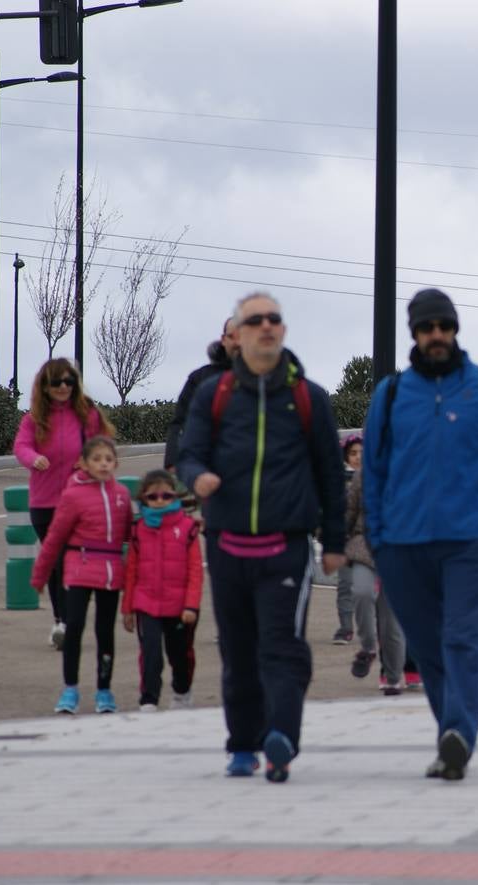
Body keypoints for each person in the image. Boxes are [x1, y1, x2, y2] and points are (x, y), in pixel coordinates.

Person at [178, 292, 347, 784]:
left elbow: (330, 475)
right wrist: (198, 476)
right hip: (227, 546)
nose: (267, 326)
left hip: (286, 548)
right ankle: (241, 744)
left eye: (275, 318)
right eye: (256, 320)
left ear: (283, 330)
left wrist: (334, 541)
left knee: (282, 648)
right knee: (237, 650)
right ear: (237, 334)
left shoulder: (307, 397)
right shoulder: (216, 394)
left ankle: (282, 738)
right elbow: (189, 453)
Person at [363, 288, 478, 782]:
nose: (437, 335)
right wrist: (379, 539)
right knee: (429, 649)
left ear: (455, 330)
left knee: (464, 639)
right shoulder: (390, 395)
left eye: (444, 327)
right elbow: (373, 471)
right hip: (403, 546)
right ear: (414, 332)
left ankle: (458, 734)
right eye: (427, 327)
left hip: (473, 542)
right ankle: (450, 735)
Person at [13, 358, 111, 650]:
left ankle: (69, 621)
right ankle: (62, 621)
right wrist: (34, 458)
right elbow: (21, 446)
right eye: (57, 382)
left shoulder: (86, 414)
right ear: (46, 385)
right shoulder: (34, 419)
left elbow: (102, 443)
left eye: (69, 381)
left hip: (79, 500)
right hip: (43, 503)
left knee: (69, 559)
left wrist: (90, 461)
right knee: (57, 562)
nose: (63, 387)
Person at [31, 436, 132, 715]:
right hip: (78, 569)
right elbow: (54, 538)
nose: (103, 464)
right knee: (74, 627)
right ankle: (70, 689)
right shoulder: (73, 495)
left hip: (111, 572)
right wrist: (40, 575)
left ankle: (104, 690)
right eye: (97, 459)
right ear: (83, 464)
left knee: (105, 632)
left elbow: (132, 538)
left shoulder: (122, 495)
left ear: (116, 463)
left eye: (108, 459)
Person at [121, 469, 201, 712]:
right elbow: (132, 571)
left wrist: (191, 605)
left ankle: (182, 691)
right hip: (146, 604)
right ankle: (149, 698)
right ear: (144, 499)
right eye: (153, 497)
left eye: (165, 496)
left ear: (174, 497)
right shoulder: (139, 530)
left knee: (180, 655)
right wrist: (128, 608)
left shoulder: (188, 528)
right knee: (150, 654)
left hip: (179, 606)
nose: (159, 501)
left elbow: (195, 570)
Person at [343, 436, 405, 696]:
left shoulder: (409, 475)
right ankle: (368, 647)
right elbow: (350, 512)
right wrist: (336, 541)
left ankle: (392, 676)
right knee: (362, 592)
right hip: (363, 544)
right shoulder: (363, 476)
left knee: (391, 620)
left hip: (396, 548)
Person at [164, 318, 237, 470]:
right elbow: (180, 422)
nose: (238, 342)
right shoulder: (199, 378)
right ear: (224, 339)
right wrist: (173, 461)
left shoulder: (268, 379)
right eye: (233, 336)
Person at [332, 435, 364, 644]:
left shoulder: (374, 477)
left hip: (367, 541)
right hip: (345, 540)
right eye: (353, 453)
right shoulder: (338, 479)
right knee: (345, 585)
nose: (358, 457)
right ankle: (345, 628)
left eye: (361, 452)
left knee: (369, 590)